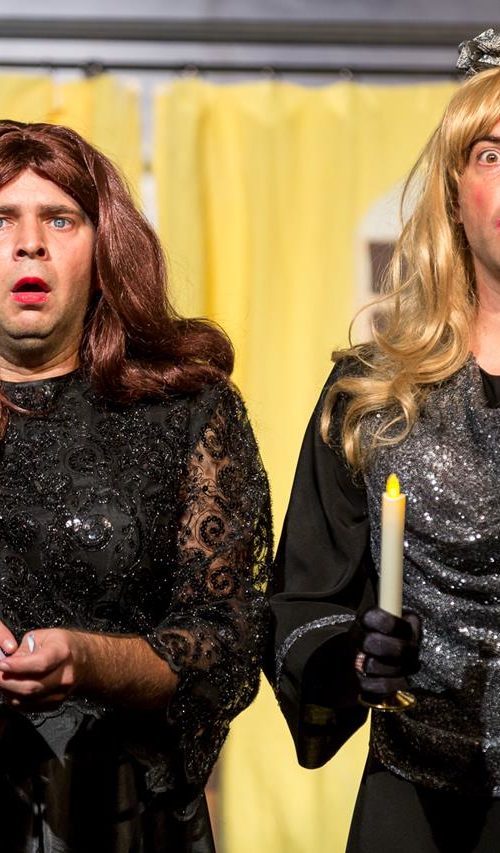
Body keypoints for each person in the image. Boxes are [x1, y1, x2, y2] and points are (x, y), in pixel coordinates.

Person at [0, 119, 272, 853]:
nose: (30, 243)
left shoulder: (186, 412)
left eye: (60, 219)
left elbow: (227, 640)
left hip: (122, 814)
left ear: (103, 251)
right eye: (2, 219)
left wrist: (90, 660)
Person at [266, 29, 500, 853]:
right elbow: (302, 600)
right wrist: (358, 656)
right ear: (453, 191)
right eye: (493, 153)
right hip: (418, 802)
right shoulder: (370, 395)